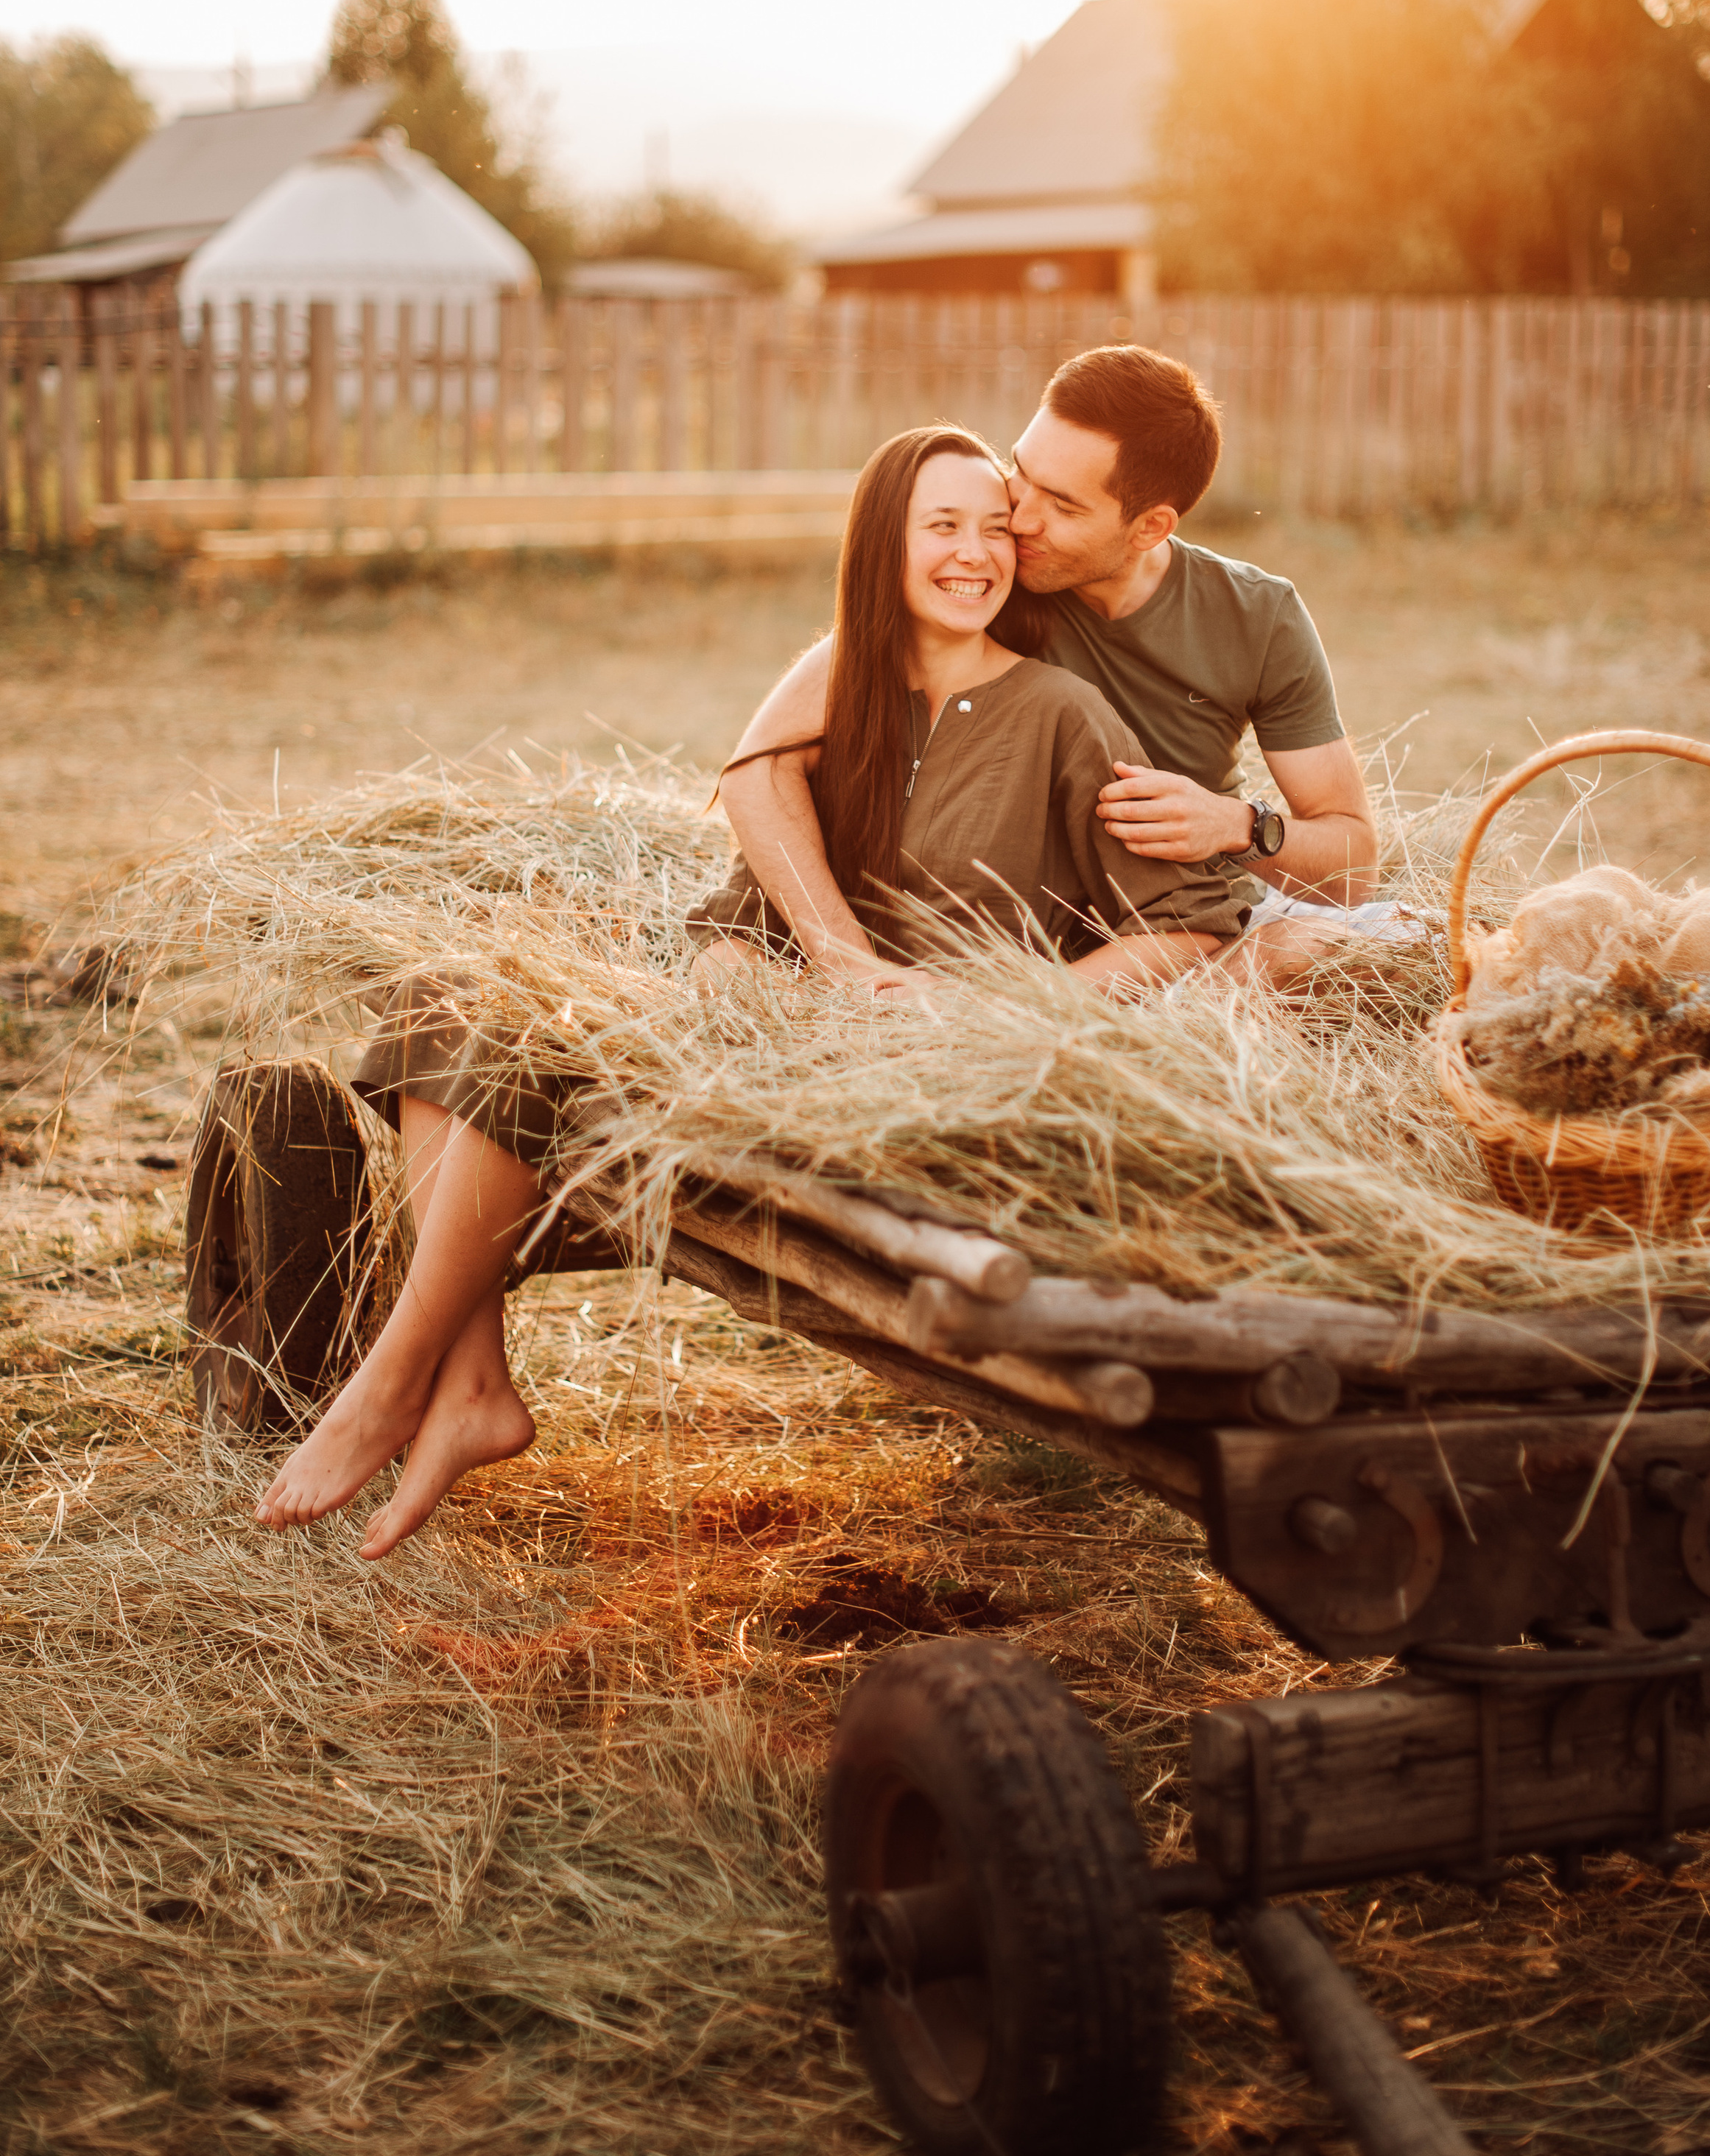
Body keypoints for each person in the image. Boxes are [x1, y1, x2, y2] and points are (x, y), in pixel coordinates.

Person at [255, 422, 1238, 1560]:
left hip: (919, 1071)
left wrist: (1015, 1007)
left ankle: (391, 1385)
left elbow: (1192, 925)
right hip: (770, 1037)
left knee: (526, 1048)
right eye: (941, 526)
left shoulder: (1061, 714)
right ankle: (470, 1381)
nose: (975, 552)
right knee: (452, 999)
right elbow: (740, 908)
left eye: (991, 527)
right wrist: (743, 990)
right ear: (883, 545)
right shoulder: (840, 704)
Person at [722, 342, 1390, 994]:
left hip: (1172, 917)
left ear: (1151, 527)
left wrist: (1235, 825)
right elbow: (759, 767)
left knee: (1333, 950)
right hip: (1029, 911)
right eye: (1021, 471)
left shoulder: (1255, 615)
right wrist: (848, 962)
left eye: (1064, 506)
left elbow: (1353, 867)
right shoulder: (983, 580)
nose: (1019, 518)